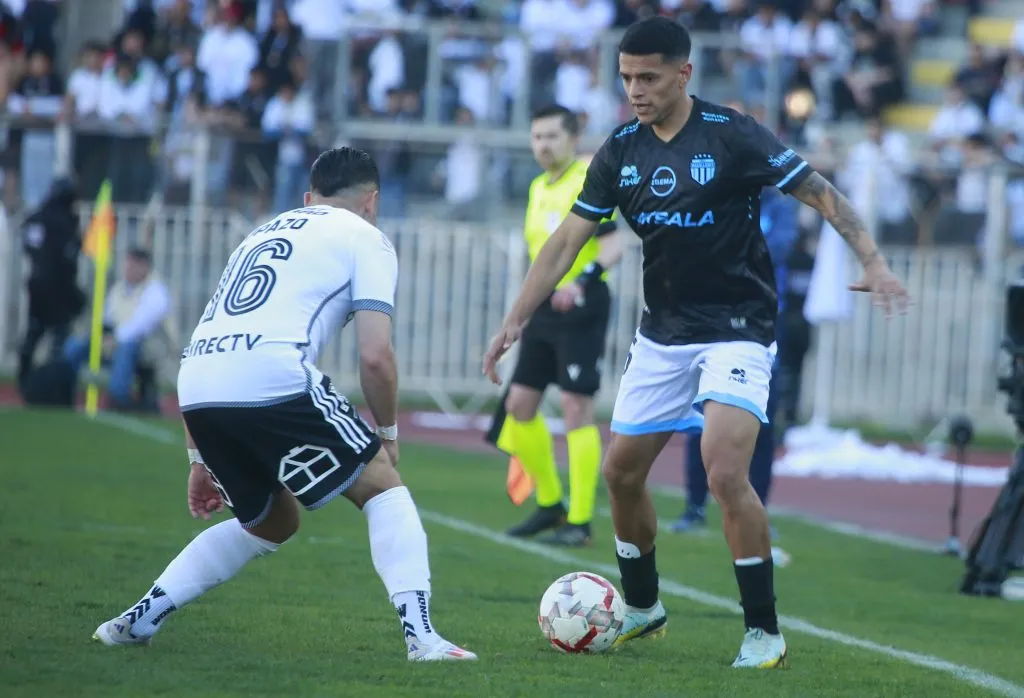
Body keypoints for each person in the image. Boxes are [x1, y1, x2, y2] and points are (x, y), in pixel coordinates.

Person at [483, 17, 908, 668]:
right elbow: (566, 241)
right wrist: (515, 317)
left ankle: (763, 632)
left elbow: (819, 192)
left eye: (648, 77)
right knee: (621, 474)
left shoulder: (732, 136)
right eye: (626, 78)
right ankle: (645, 605)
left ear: (684, 74)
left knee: (723, 469)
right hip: (664, 333)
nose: (635, 90)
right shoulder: (621, 150)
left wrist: (873, 261)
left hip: (738, 326)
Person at [92, 147, 477, 663]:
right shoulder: (366, 237)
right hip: (273, 373)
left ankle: (137, 620)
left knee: (273, 521)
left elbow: (207, 339)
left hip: (199, 383)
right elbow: (376, 355)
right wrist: (387, 433)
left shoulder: (260, 233)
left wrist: (197, 457)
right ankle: (422, 638)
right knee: (382, 486)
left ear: (306, 197)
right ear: (372, 201)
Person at [485, 104, 625, 547]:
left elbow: (614, 242)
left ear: (572, 139)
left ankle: (580, 520)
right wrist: (522, 312)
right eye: (537, 137)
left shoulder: (586, 178)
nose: (543, 145)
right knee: (519, 406)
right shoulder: (536, 187)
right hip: (545, 309)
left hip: (581, 308)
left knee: (575, 408)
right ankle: (550, 504)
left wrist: (583, 282)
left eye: (552, 137)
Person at [672, 174, 801, 536]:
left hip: (761, 325)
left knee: (762, 419)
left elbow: (775, 248)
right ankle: (694, 507)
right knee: (701, 414)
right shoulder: (710, 199)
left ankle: (758, 510)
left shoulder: (779, 206)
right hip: (710, 322)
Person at [62, 247, 174, 411]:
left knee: (127, 347)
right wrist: (101, 336)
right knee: (77, 344)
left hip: (149, 349)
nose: (127, 270)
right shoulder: (119, 289)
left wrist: (113, 340)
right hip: (113, 342)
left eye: (132, 266)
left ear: (144, 267)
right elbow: (106, 318)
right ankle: (63, 390)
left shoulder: (156, 292)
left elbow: (139, 327)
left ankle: (118, 398)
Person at [17, 176, 84, 388]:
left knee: (33, 331)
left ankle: (24, 376)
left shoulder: (37, 217)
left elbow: (29, 245)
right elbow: (68, 254)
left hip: (36, 283)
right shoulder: (65, 221)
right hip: (58, 287)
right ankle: (54, 383)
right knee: (59, 334)